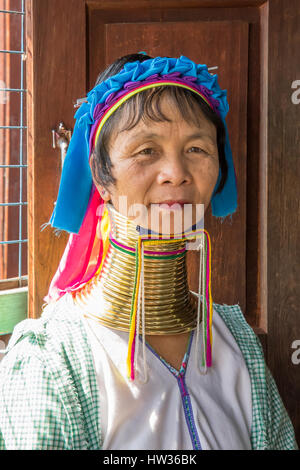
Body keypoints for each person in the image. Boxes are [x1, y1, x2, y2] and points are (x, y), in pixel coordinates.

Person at [0, 53, 298, 450]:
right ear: (101, 176)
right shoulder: (54, 363)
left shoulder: (235, 342)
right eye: (146, 150)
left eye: (197, 148)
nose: (176, 171)